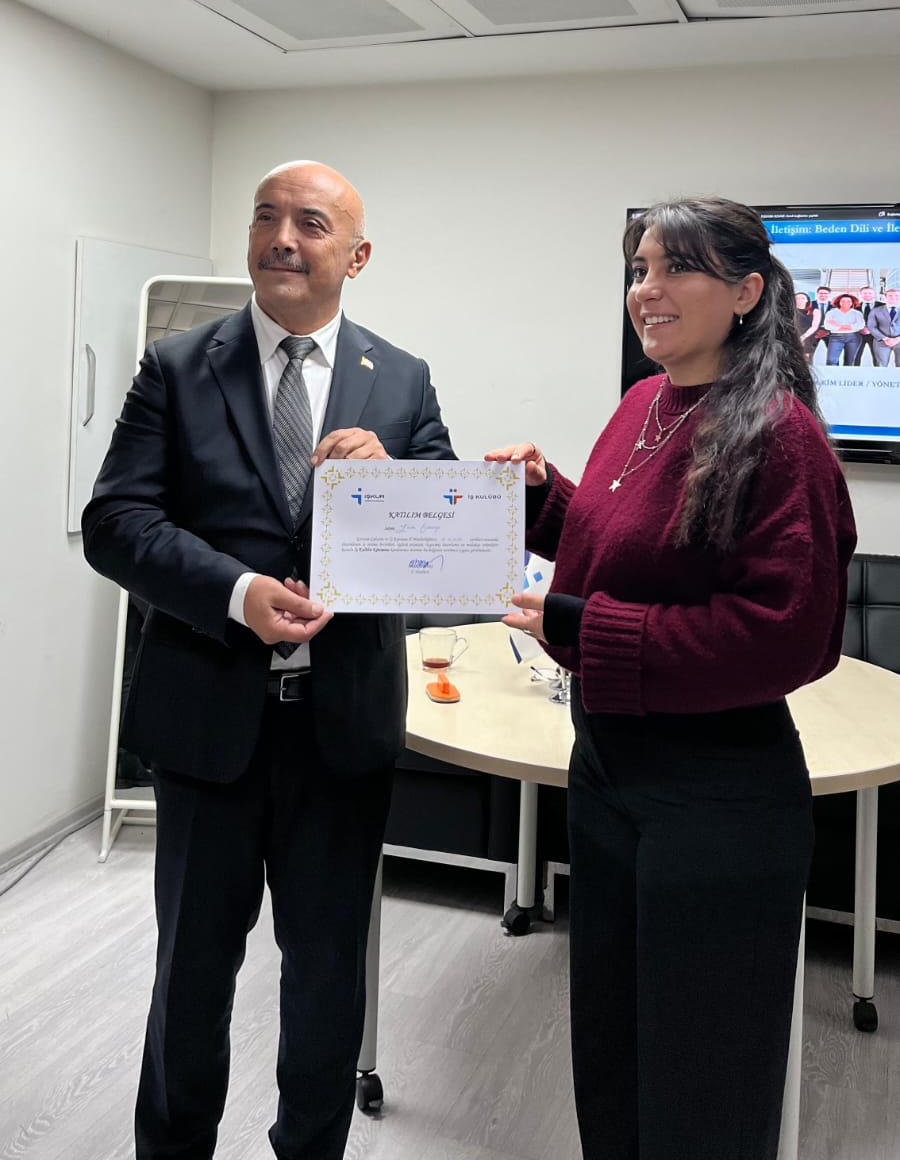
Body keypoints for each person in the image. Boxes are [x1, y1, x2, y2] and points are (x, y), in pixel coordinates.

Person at [82, 160, 454, 1160]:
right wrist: (238, 594)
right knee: (191, 972)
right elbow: (115, 522)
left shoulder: (403, 378)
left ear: (357, 257)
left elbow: (443, 533)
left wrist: (395, 477)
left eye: (311, 223)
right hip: (207, 724)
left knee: (328, 976)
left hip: (340, 733)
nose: (282, 237)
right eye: (266, 217)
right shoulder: (176, 366)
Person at [486, 196, 856, 1160]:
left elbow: (788, 637)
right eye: (638, 269)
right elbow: (624, 548)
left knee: (703, 1090)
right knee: (612, 1057)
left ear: (746, 292)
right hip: (608, 774)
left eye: (675, 268)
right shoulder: (642, 404)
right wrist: (545, 502)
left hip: (716, 795)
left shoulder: (781, 436)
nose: (646, 290)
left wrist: (589, 631)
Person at [823, 292, 865, 366]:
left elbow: (860, 325)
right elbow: (827, 325)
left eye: (848, 301)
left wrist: (837, 325)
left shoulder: (857, 313)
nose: (846, 303)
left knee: (850, 361)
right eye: (843, 301)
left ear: (852, 303)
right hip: (836, 337)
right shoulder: (831, 313)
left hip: (853, 337)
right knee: (831, 360)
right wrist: (851, 326)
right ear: (839, 302)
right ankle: (834, 373)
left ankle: (847, 373)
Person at [869, 290, 900, 366]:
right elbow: (872, 326)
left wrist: (898, 339)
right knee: (881, 365)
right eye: (890, 296)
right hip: (881, 342)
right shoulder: (875, 311)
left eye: (896, 295)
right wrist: (885, 338)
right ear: (885, 297)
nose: (893, 298)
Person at [853, 284, 879, 366]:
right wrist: (859, 329)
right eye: (865, 293)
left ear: (874, 294)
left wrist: (871, 330)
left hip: (876, 336)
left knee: (877, 359)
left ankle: (878, 373)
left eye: (870, 293)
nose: (867, 295)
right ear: (860, 294)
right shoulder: (854, 306)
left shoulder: (883, 306)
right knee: (855, 357)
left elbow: (885, 321)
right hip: (858, 335)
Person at [794, 289, 821, 359]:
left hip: (808, 336)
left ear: (807, 300)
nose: (800, 300)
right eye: (797, 298)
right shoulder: (789, 311)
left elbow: (814, 326)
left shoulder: (815, 311)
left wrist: (803, 337)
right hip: (793, 335)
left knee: (806, 359)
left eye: (803, 298)